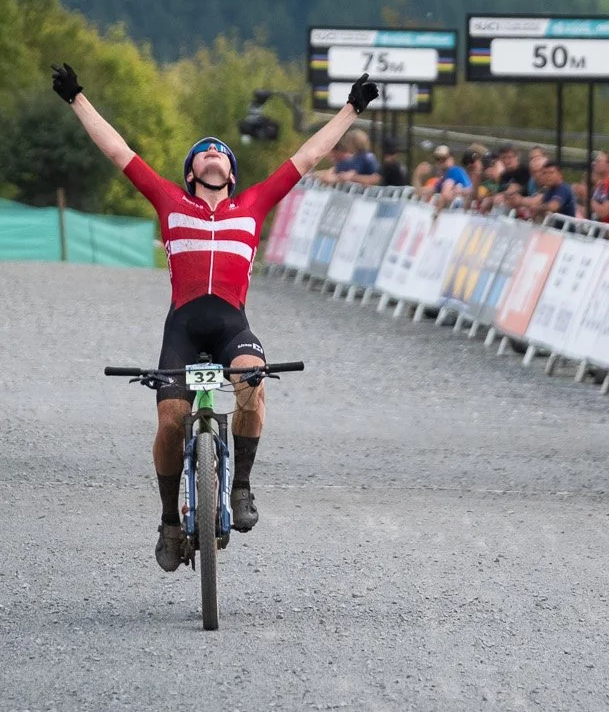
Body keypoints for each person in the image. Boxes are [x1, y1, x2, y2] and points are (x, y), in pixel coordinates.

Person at [54, 61, 379, 572]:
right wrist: (77, 99)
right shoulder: (169, 200)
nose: (212, 153)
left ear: (231, 173)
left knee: (252, 382)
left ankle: (241, 485)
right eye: (203, 151)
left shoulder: (253, 204)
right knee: (171, 421)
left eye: (220, 152)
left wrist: (352, 109)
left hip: (231, 327)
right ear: (190, 173)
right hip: (183, 329)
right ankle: (169, 519)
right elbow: (118, 150)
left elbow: (309, 155)